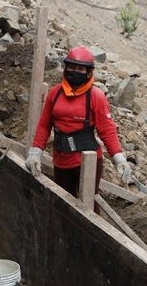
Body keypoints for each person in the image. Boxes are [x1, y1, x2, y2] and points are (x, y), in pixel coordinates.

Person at [25, 46, 132, 213]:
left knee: (87, 205)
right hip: (61, 159)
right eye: (71, 67)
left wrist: (119, 158)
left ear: (89, 73)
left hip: (87, 161)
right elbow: (44, 124)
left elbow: (107, 130)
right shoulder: (55, 93)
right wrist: (35, 152)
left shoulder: (96, 96)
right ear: (65, 68)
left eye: (80, 68)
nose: (74, 71)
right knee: (63, 203)